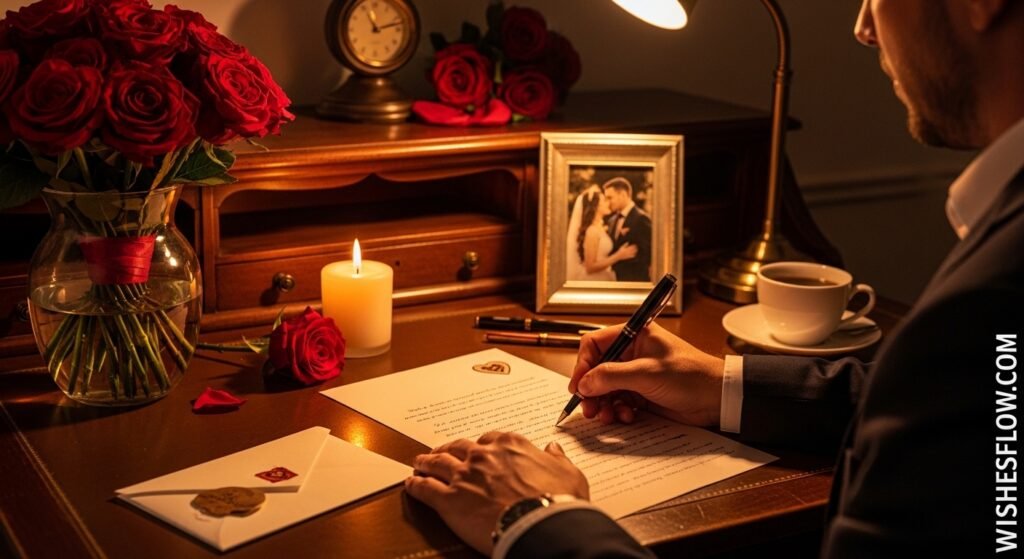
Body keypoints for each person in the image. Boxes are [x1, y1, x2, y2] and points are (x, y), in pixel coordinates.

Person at [404, 1, 1024, 557]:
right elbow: (963, 410)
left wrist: (537, 518)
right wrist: (720, 383)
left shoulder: (987, 304)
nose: (863, 27)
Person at [567, 187, 638, 281]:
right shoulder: (592, 231)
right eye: (604, 200)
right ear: (596, 207)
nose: (608, 203)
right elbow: (590, 267)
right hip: (594, 279)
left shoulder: (600, 228)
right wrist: (619, 255)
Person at [603, 177, 652, 282]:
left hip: (635, 282)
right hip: (614, 281)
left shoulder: (641, 218)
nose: (607, 202)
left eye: (610, 198)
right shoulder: (611, 220)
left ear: (623, 195)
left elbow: (648, 256)